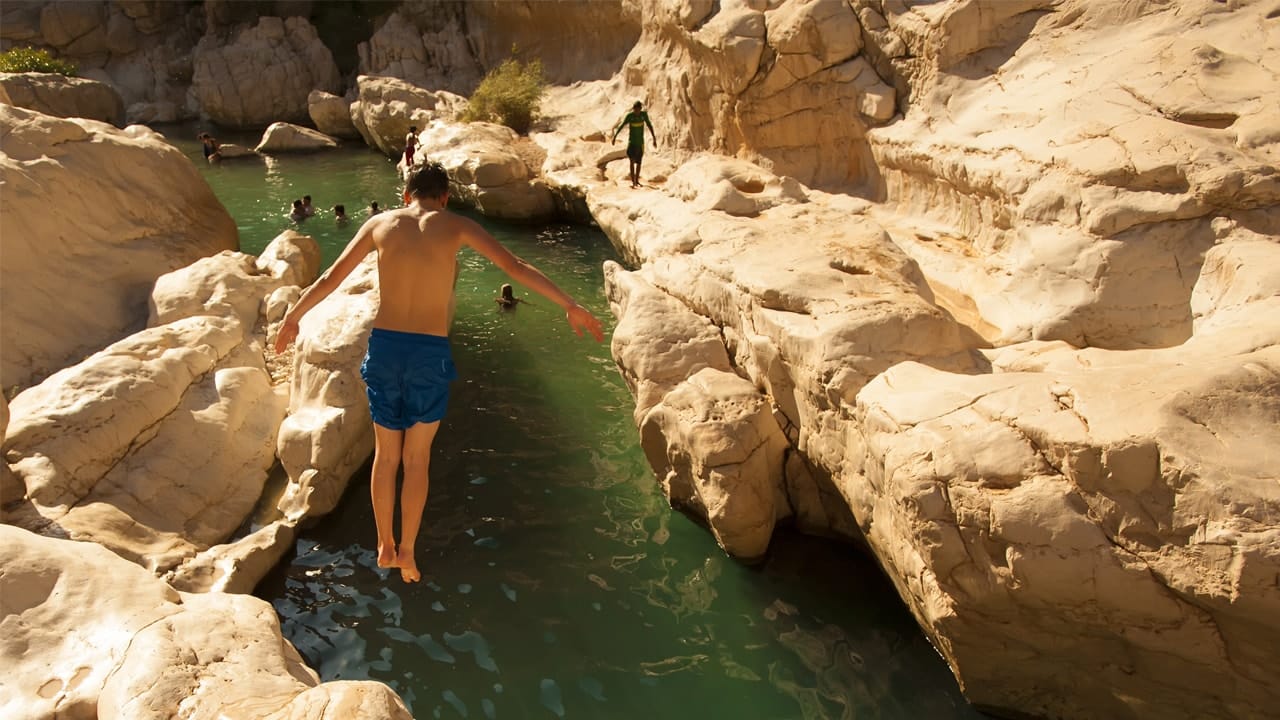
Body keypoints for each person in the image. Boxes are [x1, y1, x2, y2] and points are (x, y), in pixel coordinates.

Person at [274, 162, 603, 583]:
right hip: (429, 353)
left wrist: (294, 318)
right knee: (417, 458)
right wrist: (569, 304)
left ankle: (384, 544)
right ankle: (408, 548)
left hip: (387, 349)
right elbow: (516, 268)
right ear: (444, 198)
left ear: (407, 195)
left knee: (386, 456)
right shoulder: (457, 226)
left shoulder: (381, 223)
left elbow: (332, 277)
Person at [611, 101, 656, 188]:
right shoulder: (630, 116)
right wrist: (615, 136)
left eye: (637, 109)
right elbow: (622, 125)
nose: (635, 111)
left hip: (640, 143)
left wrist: (654, 137)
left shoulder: (644, 115)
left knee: (639, 163)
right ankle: (633, 181)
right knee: (631, 161)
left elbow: (649, 125)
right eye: (634, 109)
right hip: (632, 142)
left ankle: (637, 180)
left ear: (640, 108)